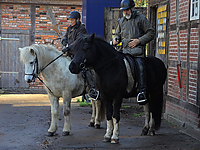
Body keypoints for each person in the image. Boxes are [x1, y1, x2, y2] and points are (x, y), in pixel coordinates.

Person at [112, 0, 155, 105]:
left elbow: (151, 33)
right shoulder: (121, 21)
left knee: (140, 68)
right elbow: (117, 34)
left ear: (133, 8)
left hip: (137, 53)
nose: (125, 12)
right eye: (124, 10)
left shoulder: (141, 19)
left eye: (127, 10)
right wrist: (116, 39)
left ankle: (142, 92)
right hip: (124, 51)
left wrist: (139, 40)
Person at [62, 11, 99, 100]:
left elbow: (78, 42)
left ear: (78, 20)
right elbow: (65, 36)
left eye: (72, 20)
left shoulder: (81, 29)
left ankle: (92, 89)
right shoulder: (69, 28)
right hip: (70, 53)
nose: (71, 21)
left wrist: (69, 47)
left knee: (86, 68)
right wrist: (64, 41)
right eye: (70, 19)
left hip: (79, 54)